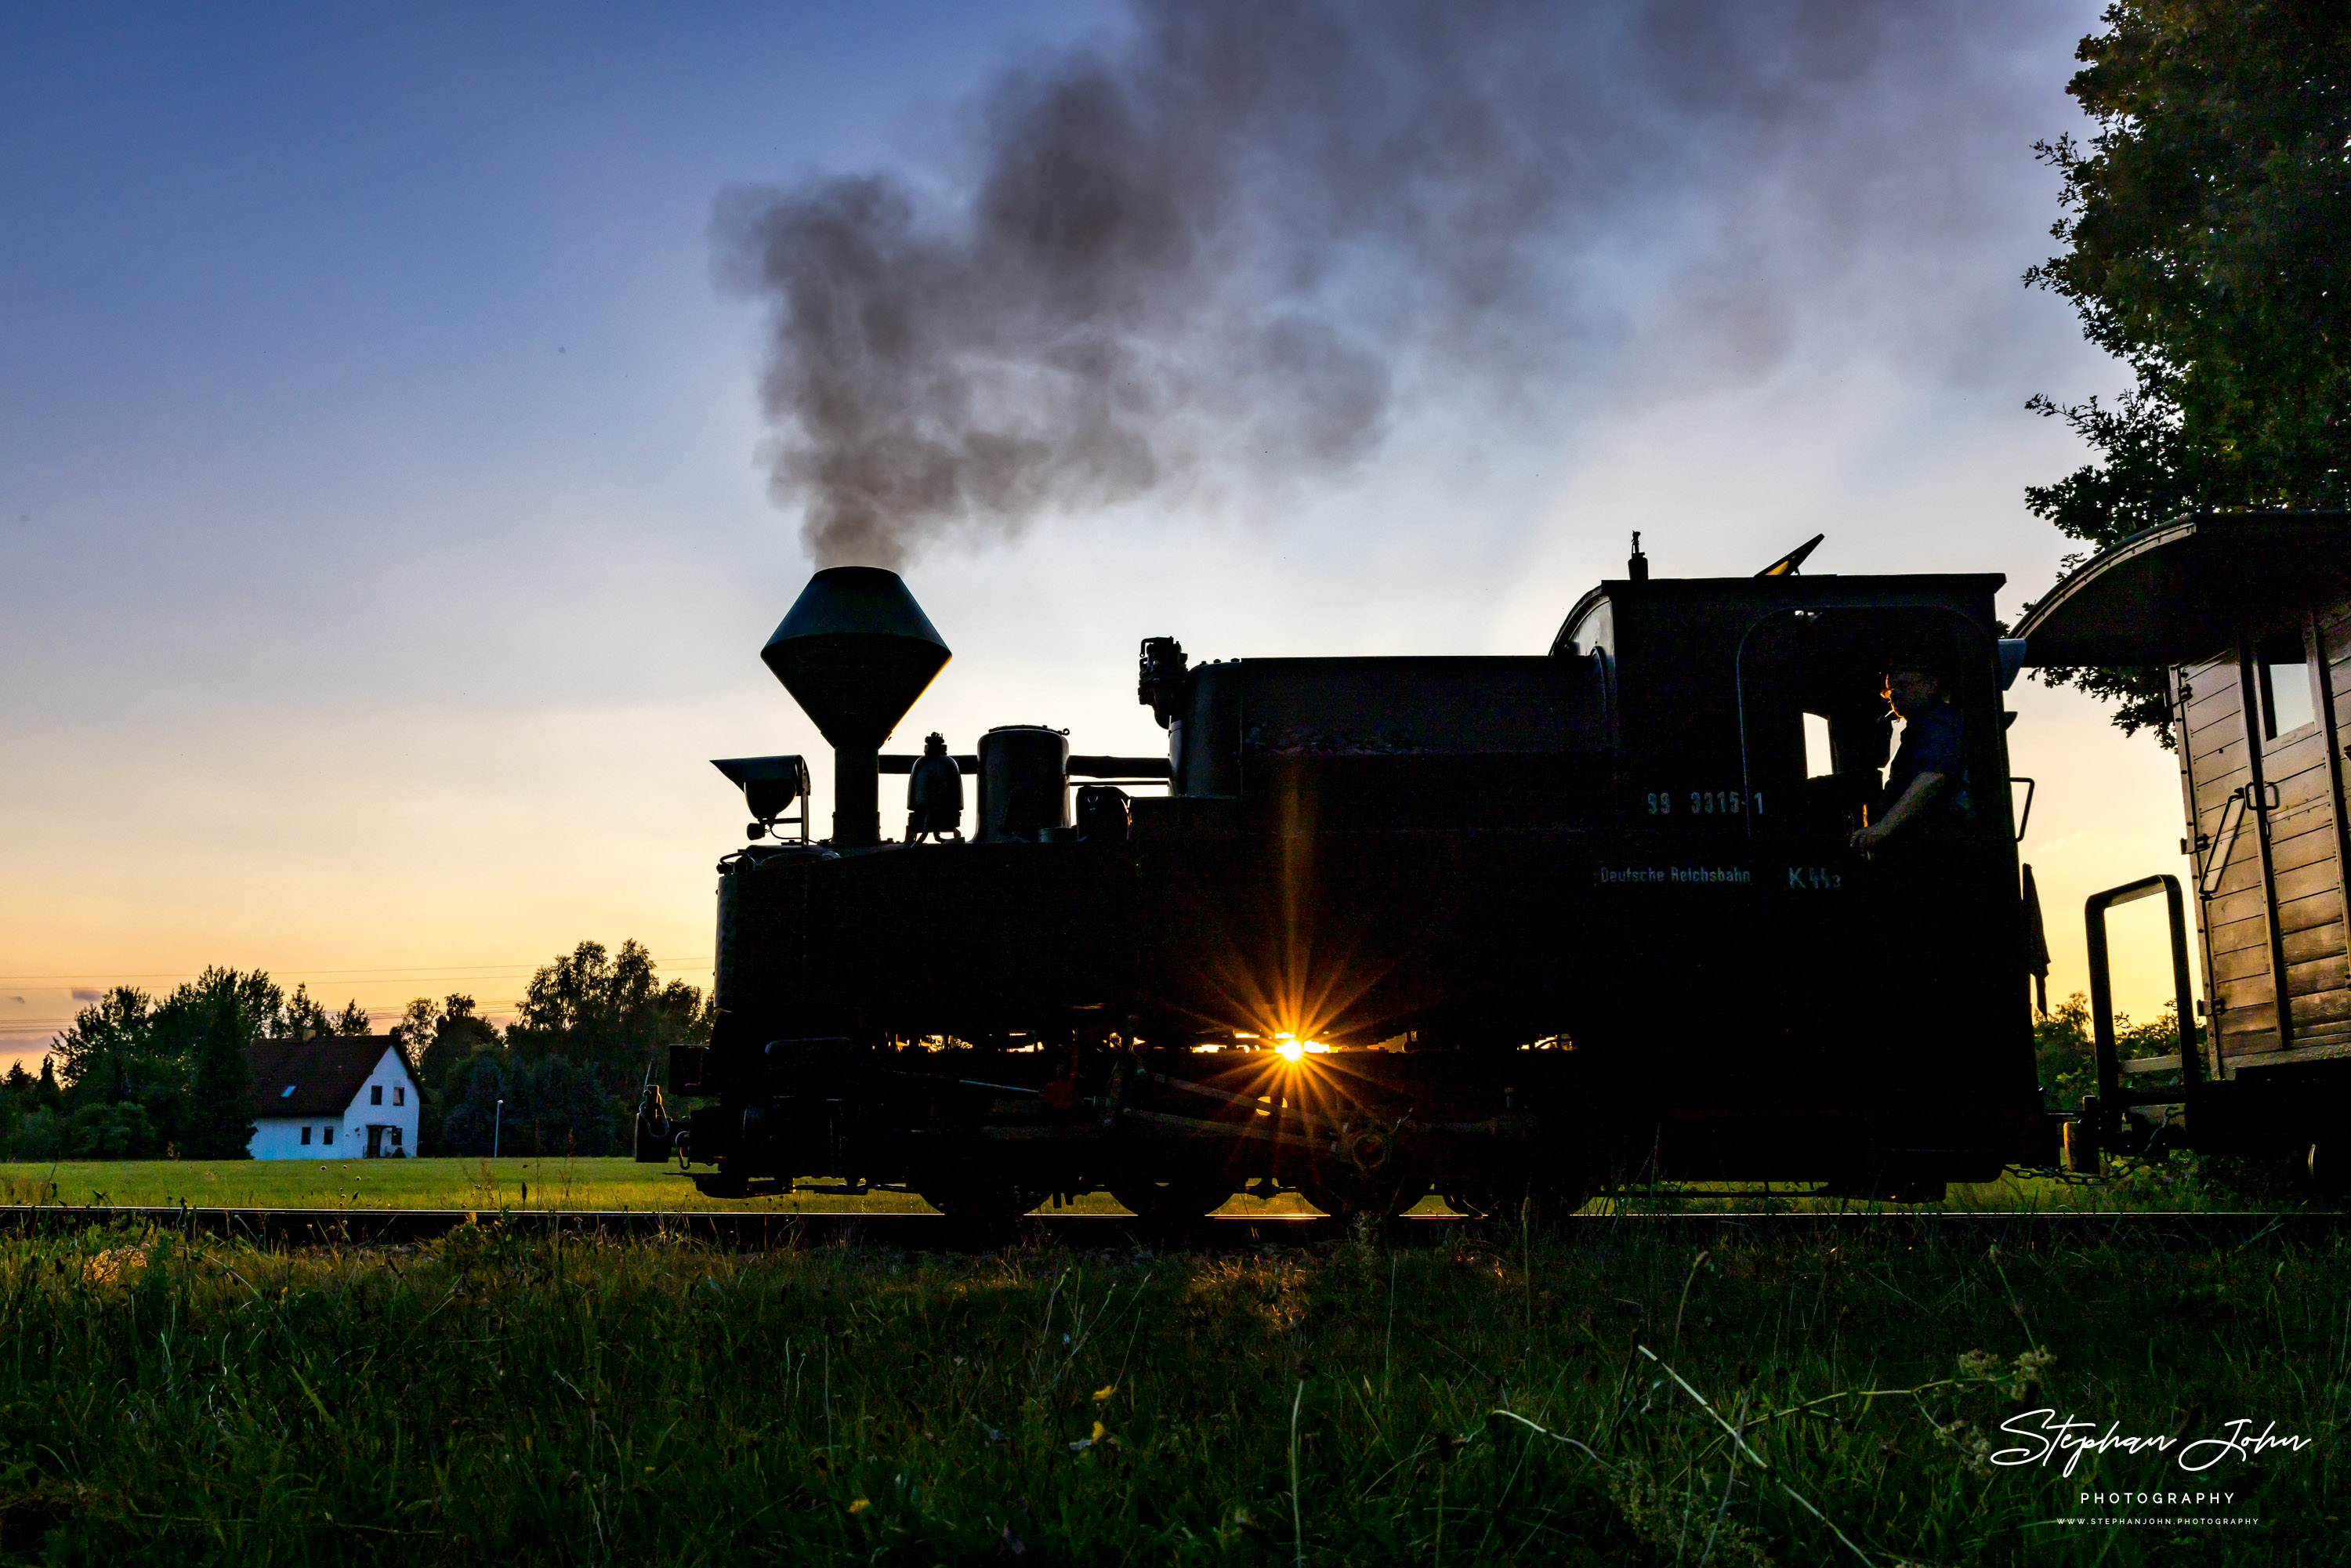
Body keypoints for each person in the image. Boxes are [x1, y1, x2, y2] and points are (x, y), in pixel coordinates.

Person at [1850, 655, 1971, 856]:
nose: (1894, 695)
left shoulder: (1940, 723)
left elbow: (1933, 777)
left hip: (1935, 851)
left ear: (1931, 685)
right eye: (1890, 690)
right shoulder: (1918, 728)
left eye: (1902, 685)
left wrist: (1883, 829)